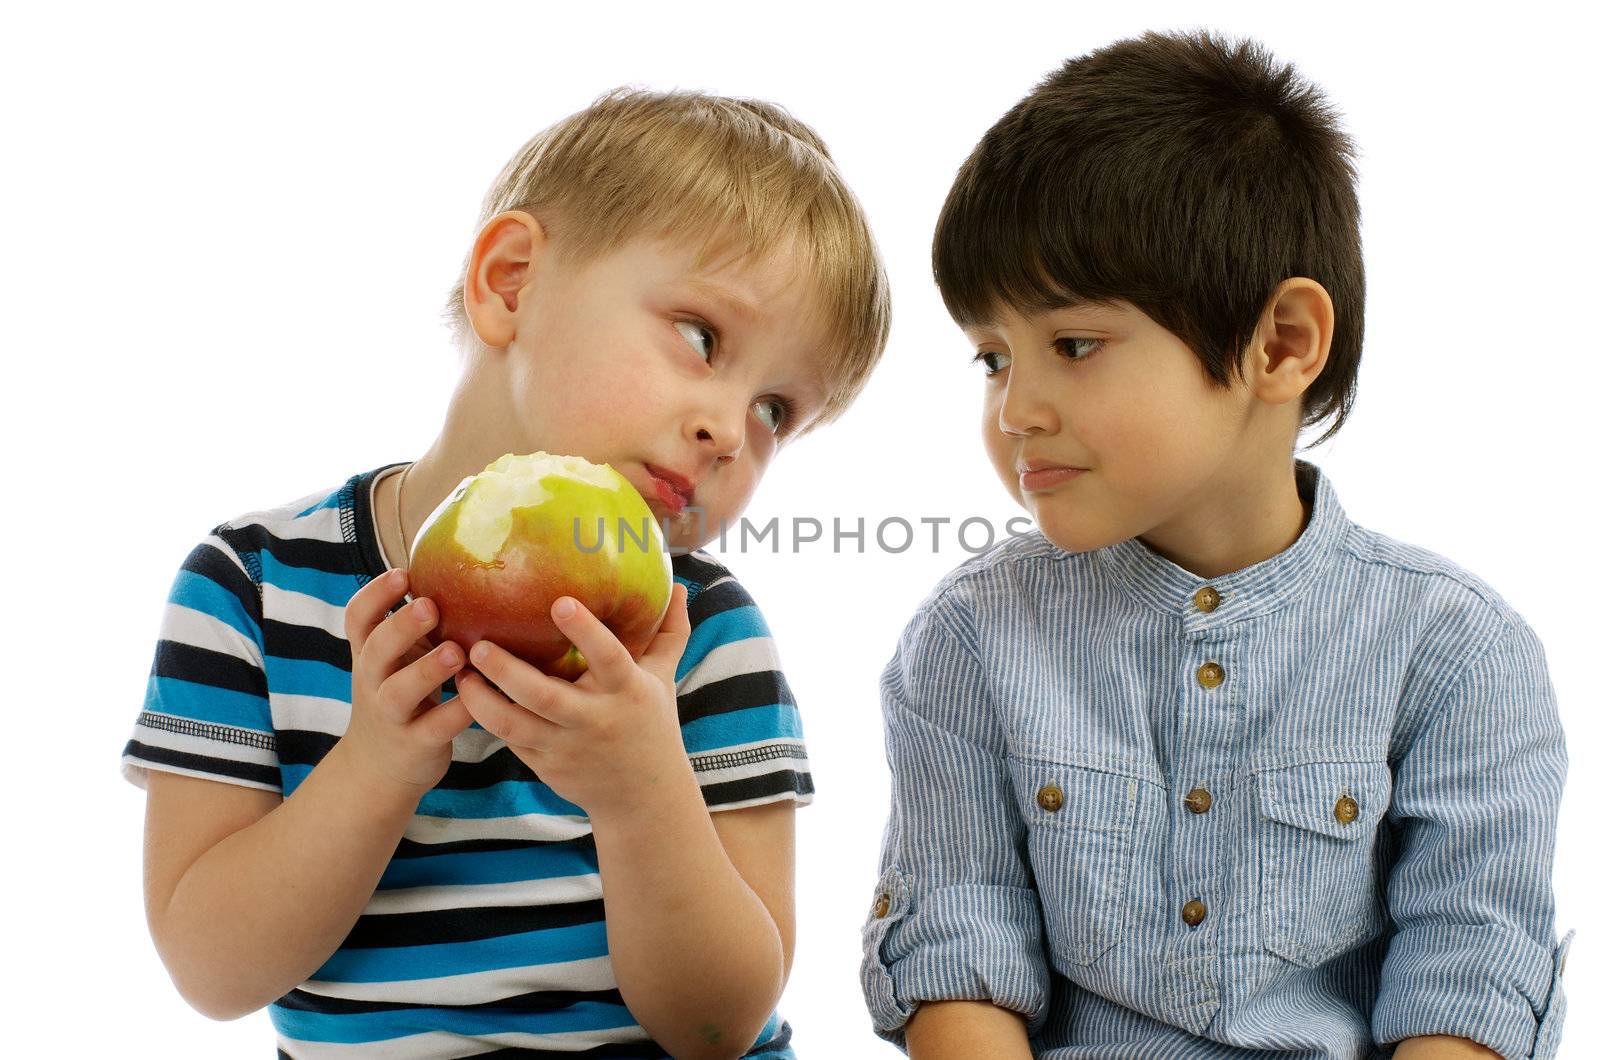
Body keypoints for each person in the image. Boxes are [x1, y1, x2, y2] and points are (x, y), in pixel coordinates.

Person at [123, 87, 890, 1058]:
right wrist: (377, 762)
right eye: (701, 338)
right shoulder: (253, 588)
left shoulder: (698, 632)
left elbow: (717, 1024)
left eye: (779, 409)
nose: (730, 431)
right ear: (513, 281)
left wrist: (640, 791)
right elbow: (213, 971)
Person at [859, 30, 1568, 1060]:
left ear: (1280, 343)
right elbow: (958, 949)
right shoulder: (970, 635)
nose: (1015, 409)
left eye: (1073, 345)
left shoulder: (1454, 650)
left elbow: (1469, 971)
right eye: (991, 358)